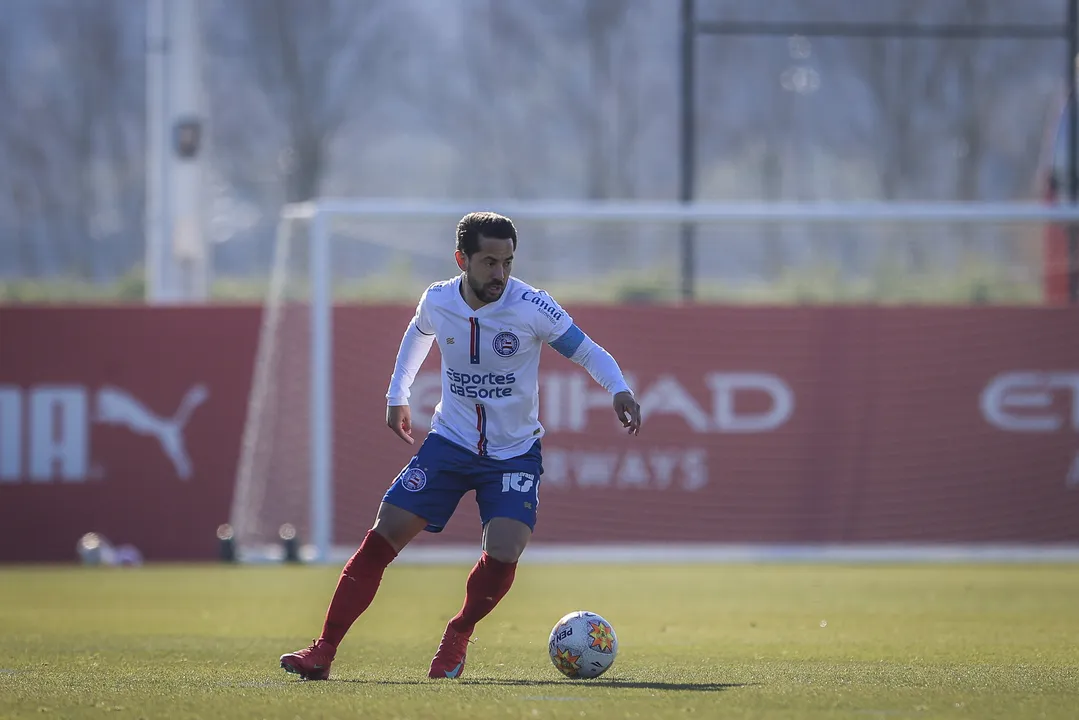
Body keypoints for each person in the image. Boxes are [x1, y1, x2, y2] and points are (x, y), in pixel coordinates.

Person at [279, 211, 641, 680]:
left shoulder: (532, 306)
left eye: (507, 262)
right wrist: (397, 395)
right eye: (489, 262)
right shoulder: (439, 300)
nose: (500, 274)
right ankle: (323, 649)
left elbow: (588, 349)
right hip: (450, 443)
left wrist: (618, 388)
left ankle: (458, 634)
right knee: (383, 534)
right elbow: (417, 334)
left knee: (506, 550)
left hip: (514, 452)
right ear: (462, 259)